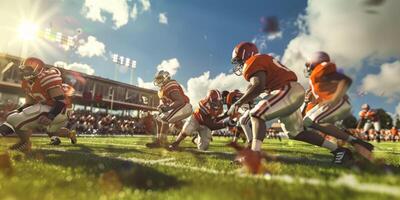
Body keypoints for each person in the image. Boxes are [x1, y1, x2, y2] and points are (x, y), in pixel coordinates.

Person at [227, 42, 353, 165]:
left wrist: (238, 102)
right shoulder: (263, 62)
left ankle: (254, 156)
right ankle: (339, 150)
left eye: (238, 60)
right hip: (291, 92)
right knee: (296, 133)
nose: (239, 65)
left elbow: (258, 86)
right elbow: (258, 87)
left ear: (246, 55)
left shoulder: (253, 61)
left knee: (256, 114)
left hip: (287, 90)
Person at [302, 51, 374, 161]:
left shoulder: (320, 69)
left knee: (312, 121)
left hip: (338, 102)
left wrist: (334, 98)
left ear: (315, 61)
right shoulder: (314, 79)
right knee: (306, 121)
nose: (307, 68)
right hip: (333, 102)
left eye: (308, 65)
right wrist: (310, 98)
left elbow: (345, 80)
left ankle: (353, 142)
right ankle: (355, 142)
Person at [0, 57, 75, 152]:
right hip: (51, 109)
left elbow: (60, 101)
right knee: (51, 132)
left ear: (38, 69)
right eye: (24, 69)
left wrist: (50, 116)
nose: (25, 72)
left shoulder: (46, 78)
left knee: (16, 118)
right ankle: (70, 134)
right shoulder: (26, 83)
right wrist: (18, 110)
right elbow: (30, 103)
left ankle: (25, 143)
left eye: (28, 69)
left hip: (61, 109)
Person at [169, 89, 235, 150]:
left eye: (218, 100)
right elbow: (210, 125)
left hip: (205, 125)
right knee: (187, 129)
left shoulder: (220, 109)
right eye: (215, 101)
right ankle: (175, 143)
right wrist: (226, 124)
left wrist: (225, 115)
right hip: (196, 119)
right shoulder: (204, 105)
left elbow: (214, 120)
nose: (217, 102)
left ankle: (196, 140)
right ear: (209, 99)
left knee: (203, 147)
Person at [146, 70, 193, 148]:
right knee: (158, 118)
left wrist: (167, 108)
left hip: (184, 106)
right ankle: (159, 140)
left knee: (165, 119)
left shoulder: (170, 84)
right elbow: (164, 104)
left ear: (165, 77)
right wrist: (161, 107)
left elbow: (180, 101)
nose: (157, 80)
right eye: (157, 79)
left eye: (160, 78)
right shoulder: (161, 90)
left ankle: (162, 141)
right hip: (177, 107)